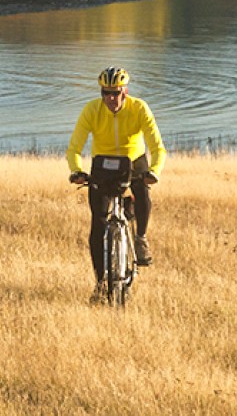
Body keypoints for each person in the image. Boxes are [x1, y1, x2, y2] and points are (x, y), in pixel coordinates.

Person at [65, 67, 167, 302]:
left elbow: (157, 147)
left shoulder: (139, 108)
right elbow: (74, 148)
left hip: (133, 162)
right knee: (98, 226)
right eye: (106, 93)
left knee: (142, 193)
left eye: (116, 93)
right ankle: (100, 284)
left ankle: (140, 238)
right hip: (102, 166)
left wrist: (154, 172)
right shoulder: (92, 110)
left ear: (125, 91)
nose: (111, 98)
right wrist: (76, 170)